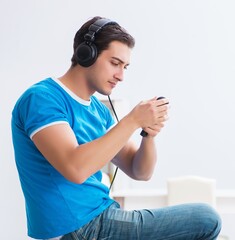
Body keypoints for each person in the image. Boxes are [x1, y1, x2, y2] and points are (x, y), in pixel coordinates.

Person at [11, 16, 221, 240]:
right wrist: (131, 120)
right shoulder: (43, 98)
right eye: (115, 63)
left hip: (101, 217)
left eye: (125, 67)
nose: (121, 76)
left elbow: (140, 171)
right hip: (80, 227)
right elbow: (75, 169)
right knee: (207, 218)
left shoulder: (99, 112)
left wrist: (148, 134)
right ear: (86, 54)